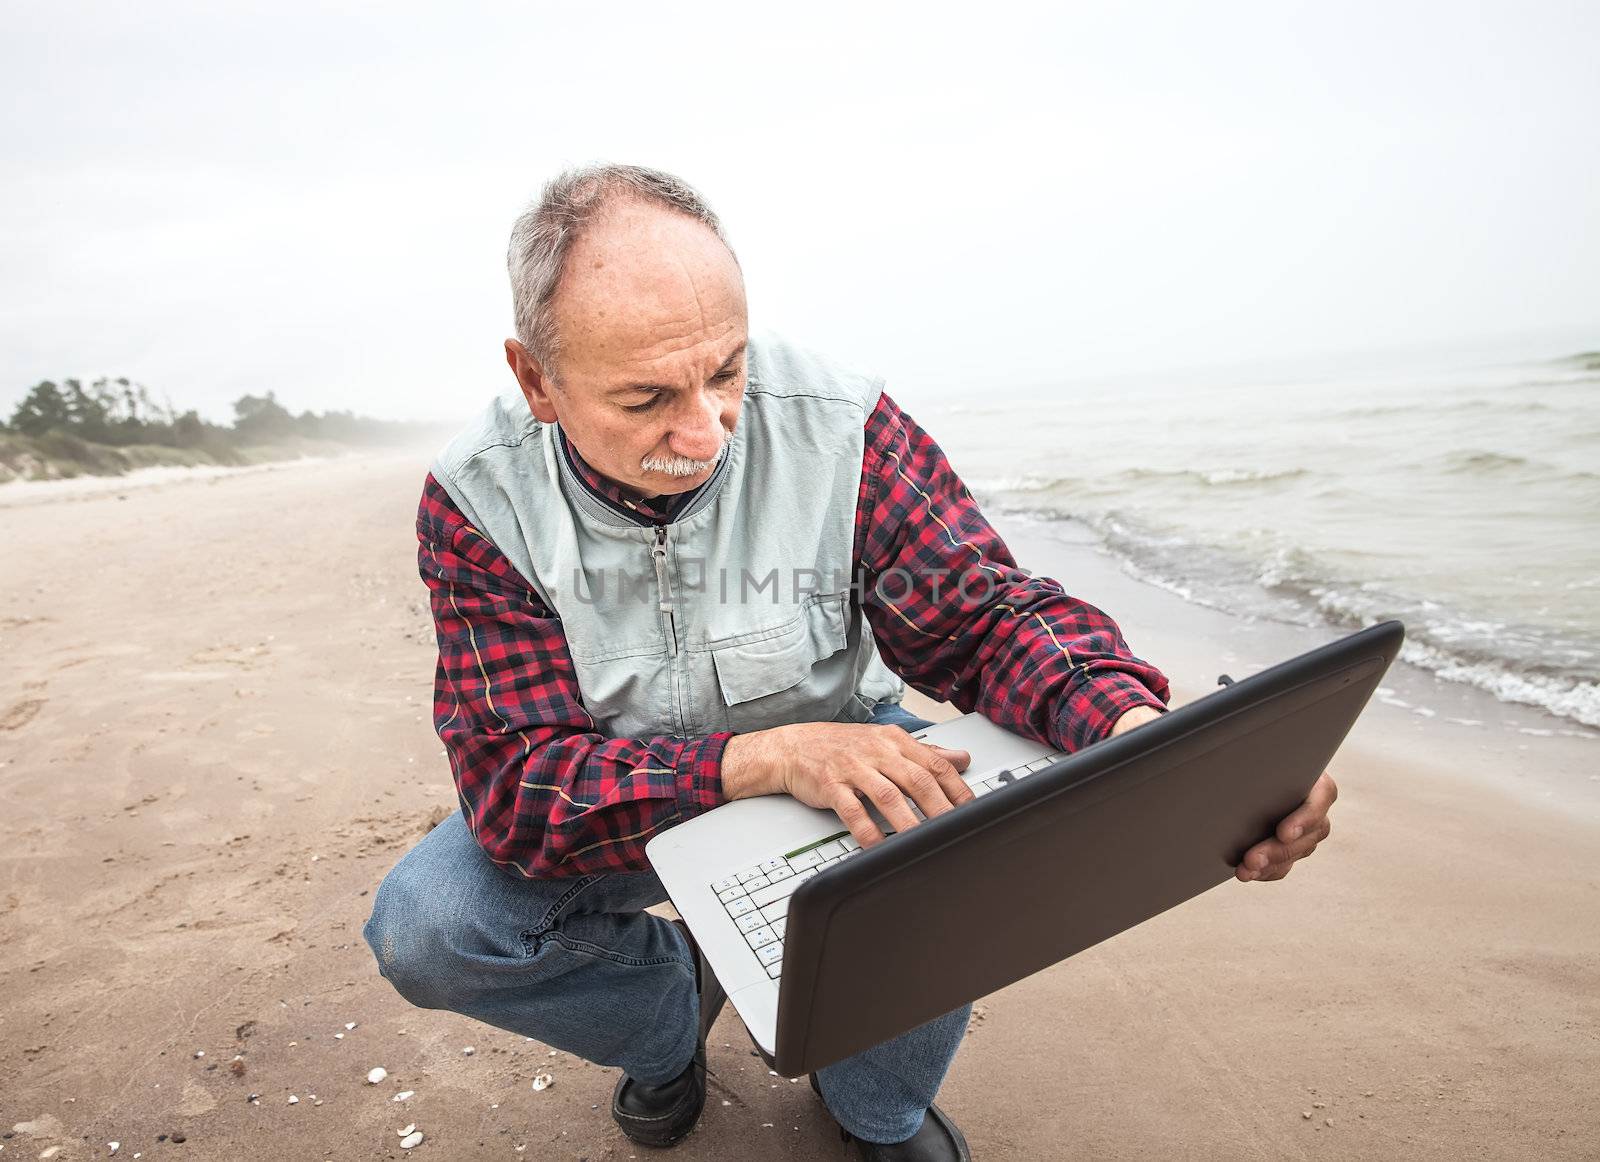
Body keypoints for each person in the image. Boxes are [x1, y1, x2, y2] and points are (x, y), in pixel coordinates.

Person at [361, 164, 1338, 1161]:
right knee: (430, 928)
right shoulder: (477, 503)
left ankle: (874, 1108)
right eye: (647, 397)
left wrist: (1154, 745)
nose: (704, 434)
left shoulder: (841, 425)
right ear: (536, 382)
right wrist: (763, 759)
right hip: (632, 804)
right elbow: (522, 788)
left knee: (963, 851)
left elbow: (984, 619)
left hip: (853, 766)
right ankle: (666, 1027)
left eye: (726, 371)